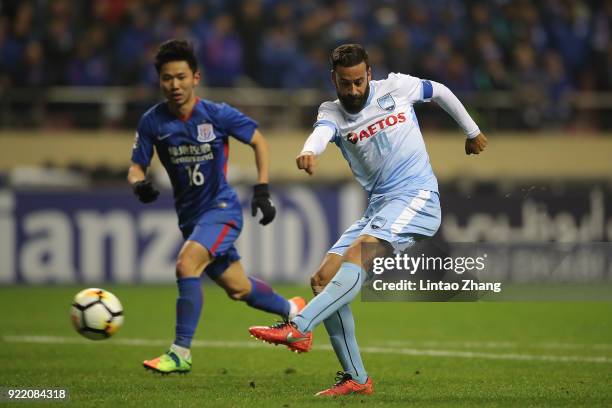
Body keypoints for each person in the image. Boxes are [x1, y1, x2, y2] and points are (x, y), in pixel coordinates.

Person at [249, 44, 487, 396]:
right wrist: (309, 151)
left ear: (369, 75)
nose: (354, 90)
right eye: (346, 83)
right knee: (322, 278)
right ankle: (356, 378)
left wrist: (472, 131)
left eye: (359, 81)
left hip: (417, 197)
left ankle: (298, 325)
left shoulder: (397, 87)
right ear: (334, 79)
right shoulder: (331, 111)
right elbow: (322, 132)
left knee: (358, 254)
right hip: (380, 206)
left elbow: (439, 91)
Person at [128, 39, 305, 374]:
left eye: (181, 77)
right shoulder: (152, 122)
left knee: (186, 264)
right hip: (191, 219)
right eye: (167, 78)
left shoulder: (217, 114)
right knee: (238, 288)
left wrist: (262, 188)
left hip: (221, 209)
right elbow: (136, 165)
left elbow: (258, 140)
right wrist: (139, 184)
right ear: (160, 81)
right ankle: (295, 311)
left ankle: (180, 352)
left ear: (196, 77)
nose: (174, 85)